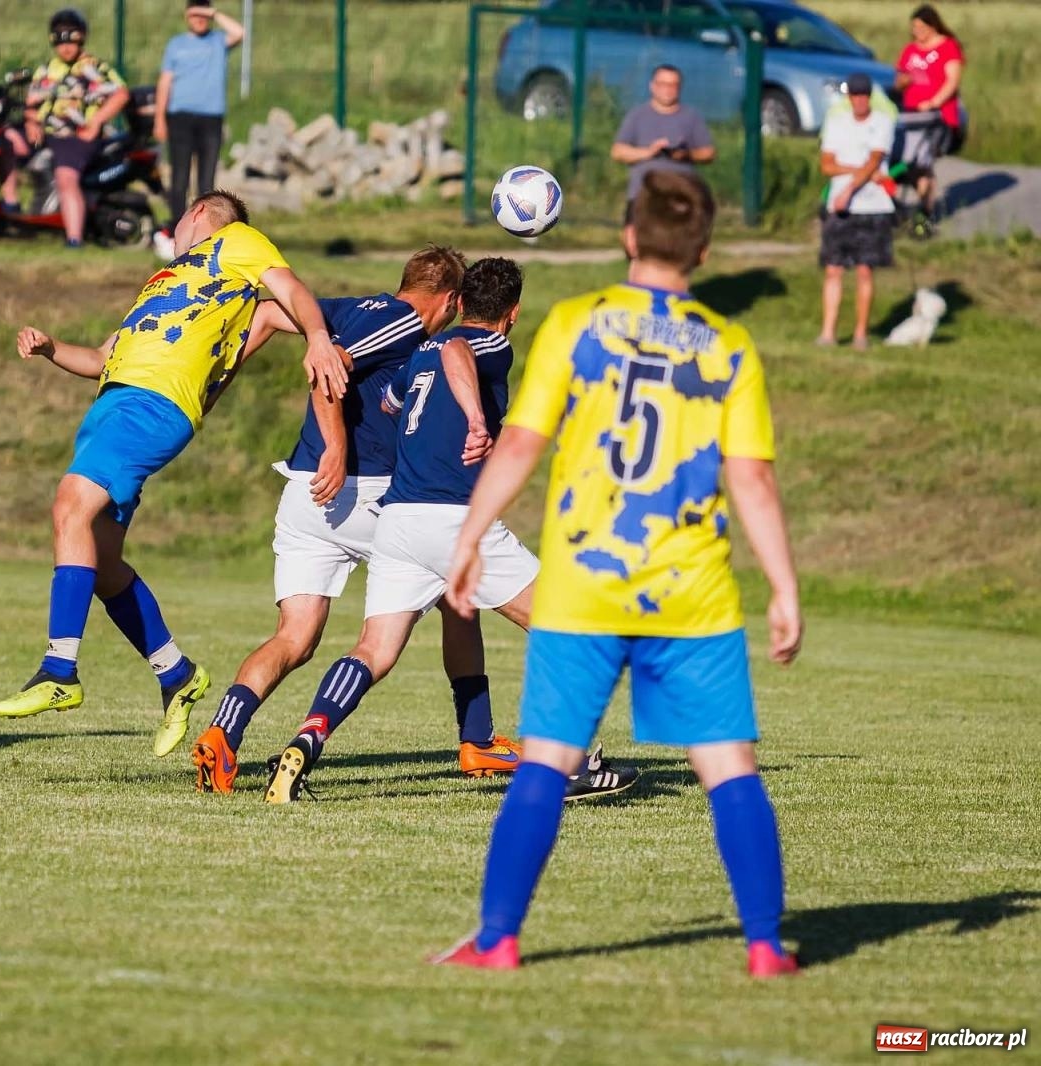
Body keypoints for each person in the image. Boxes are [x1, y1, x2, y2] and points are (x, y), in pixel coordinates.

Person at [435, 170, 803, 978]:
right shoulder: (730, 345)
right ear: (702, 251)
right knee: (728, 768)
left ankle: (497, 940)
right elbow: (753, 480)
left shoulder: (575, 323)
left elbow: (522, 445)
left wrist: (468, 537)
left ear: (630, 237)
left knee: (546, 760)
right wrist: (783, 585)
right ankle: (767, 946)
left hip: (585, 583)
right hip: (691, 591)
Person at [256, 258, 639, 805]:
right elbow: (460, 351)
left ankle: (304, 742)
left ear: (460, 301)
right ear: (511, 314)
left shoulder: (416, 355)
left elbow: (390, 404)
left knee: (373, 651)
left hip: (398, 521)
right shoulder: (487, 346)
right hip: (454, 520)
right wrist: (476, 419)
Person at [0, 190, 349, 758]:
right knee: (102, 563)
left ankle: (60, 670)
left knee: (69, 506)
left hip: (153, 405)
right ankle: (177, 674)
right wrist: (53, 347)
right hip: (115, 402)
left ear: (200, 214)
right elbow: (104, 357)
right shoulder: (166, 282)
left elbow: (293, 295)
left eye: (180, 217)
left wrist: (322, 337)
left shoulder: (236, 242)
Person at [191, 246, 529, 790]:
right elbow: (329, 367)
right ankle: (478, 739)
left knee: (295, 637)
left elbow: (271, 312)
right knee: (456, 600)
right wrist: (336, 443)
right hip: (362, 492)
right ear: (447, 300)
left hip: (303, 495)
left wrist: (217, 382)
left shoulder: (352, 309)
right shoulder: (407, 323)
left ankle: (222, 735)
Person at [13, 8, 131, 247]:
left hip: (75, 136)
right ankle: (8, 208)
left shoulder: (94, 67)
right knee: (3, 140)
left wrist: (96, 122)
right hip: (46, 133)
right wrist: (31, 121)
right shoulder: (47, 69)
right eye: (60, 39)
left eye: (72, 39)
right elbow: (31, 104)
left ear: (82, 38)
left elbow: (121, 94)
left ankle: (74, 238)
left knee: (66, 177)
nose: (66, 46)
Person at [153, 3, 244, 255]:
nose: (199, 19)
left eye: (204, 14)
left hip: (211, 118)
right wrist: (160, 118)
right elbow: (165, 82)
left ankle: (206, 233)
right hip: (180, 117)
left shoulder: (218, 42)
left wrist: (213, 13)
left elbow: (239, 32)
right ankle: (175, 229)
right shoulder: (176, 44)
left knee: (206, 180)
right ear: (186, 16)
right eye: (195, 14)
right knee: (180, 177)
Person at [817, 73, 895, 350]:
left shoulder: (882, 123)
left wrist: (849, 188)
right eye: (855, 95)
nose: (860, 100)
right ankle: (828, 332)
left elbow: (875, 159)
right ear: (849, 97)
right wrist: (857, 171)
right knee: (834, 269)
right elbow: (826, 165)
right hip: (840, 206)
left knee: (864, 270)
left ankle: (860, 333)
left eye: (864, 95)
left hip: (872, 205)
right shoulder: (836, 123)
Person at [610, 64, 715, 220]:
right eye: (663, 84)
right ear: (653, 86)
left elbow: (708, 152)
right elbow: (617, 151)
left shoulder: (691, 117)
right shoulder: (638, 115)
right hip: (645, 193)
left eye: (673, 85)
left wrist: (686, 154)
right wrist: (649, 152)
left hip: (681, 192)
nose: (668, 89)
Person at [894, 4, 963, 234]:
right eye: (913, 28)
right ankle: (907, 211)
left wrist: (934, 102)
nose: (917, 32)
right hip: (911, 115)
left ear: (932, 25)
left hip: (936, 117)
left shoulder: (948, 47)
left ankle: (925, 216)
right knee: (907, 163)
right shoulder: (910, 50)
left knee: (922, 163)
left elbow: (952, 81)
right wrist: (903, 83)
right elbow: (899, 79)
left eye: (921, 27)